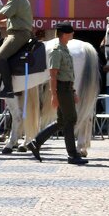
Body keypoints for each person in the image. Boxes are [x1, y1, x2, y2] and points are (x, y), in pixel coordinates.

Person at [27, 23, 88, 165]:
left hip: (67, 89)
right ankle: (72, 155)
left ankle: (36, 142)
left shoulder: (65, 49)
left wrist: (73, 92)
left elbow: (68, 74)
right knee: (71, 119)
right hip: (60, 89)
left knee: (62, 121)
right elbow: (53, 75)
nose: (73, 34)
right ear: (65, 34)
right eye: (71, 32)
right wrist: (54, 95)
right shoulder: (56, 51)